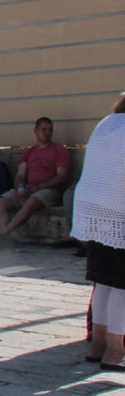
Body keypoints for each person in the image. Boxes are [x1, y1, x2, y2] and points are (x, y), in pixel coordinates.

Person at [71, 92, 125, 369]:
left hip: (94, 212)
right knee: (122, 286)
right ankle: (116, 350)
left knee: (104, 282)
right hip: (120, 213)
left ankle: (98, 345)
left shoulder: (107, 124)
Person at [0, 117, 71, 244]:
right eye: (44, 129)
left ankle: (4, 233)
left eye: (50, 130)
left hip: (49, 190)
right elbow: (20, 174)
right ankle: (6, 237)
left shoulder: (59, 150)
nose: (47, 133)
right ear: (35, 131)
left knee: (32, 201)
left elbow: (62, 176)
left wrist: (40, 186)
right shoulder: (29, 152)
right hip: (29, 188)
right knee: (0, 203)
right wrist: (19, 188)